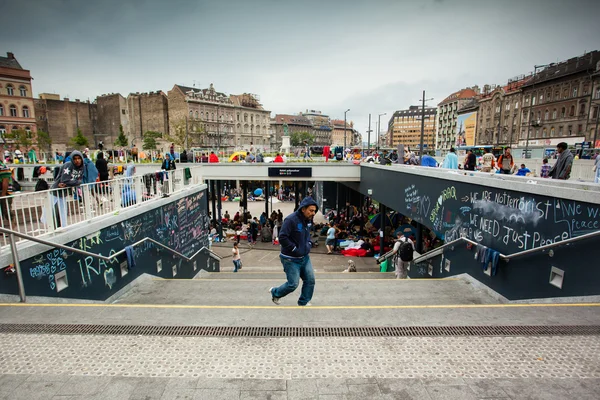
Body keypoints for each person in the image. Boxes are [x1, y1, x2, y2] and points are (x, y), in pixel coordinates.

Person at [269, 197, 318, 306]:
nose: (313, 213)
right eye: (311, 210)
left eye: (314, 210)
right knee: (293, 284)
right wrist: (294, 249)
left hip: (304, 257)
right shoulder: (291, 220)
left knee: (310, 280)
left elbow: (307, 235)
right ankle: (275, 292)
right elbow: (282, 237)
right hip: (290, 259)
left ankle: (304, 302)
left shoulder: (308, 220)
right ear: (303, 209)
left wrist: (308, 244)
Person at [48, 150, 85, 228]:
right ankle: (54, 227)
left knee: (62, 211)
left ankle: (61, 226)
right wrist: (75, 182)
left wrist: (74, 182)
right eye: (75, 159)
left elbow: (79, 180)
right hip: (56, 190)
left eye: (79, 158)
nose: (77, 161)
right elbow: (65, 180)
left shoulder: (81, 167)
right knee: (53, 211)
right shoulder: (68, 165)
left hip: (64, 192)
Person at [0, 159, 13, 227]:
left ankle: (12, 228)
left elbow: (5, 181)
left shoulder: (3, 167)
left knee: (6, 210)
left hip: (5, 192)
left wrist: (3, 194)